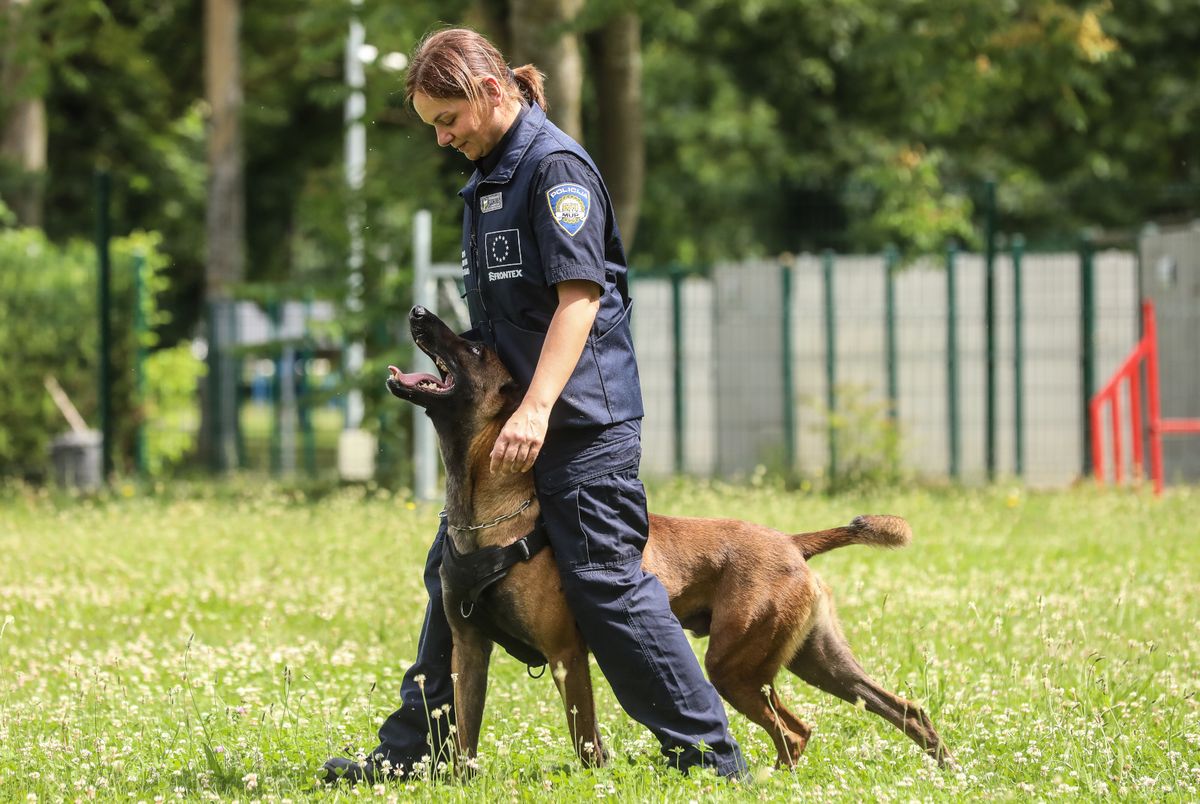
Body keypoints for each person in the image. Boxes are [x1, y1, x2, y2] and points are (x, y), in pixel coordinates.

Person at [324, 27, 745, 783]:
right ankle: (414, 755)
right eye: (432, 125)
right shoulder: (488, 179)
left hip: (577, 420)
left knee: (606, 582)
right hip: (510, 424)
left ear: (490, 91)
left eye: (447, 119)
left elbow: (579, 299)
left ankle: (711, 761)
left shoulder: (553, 170)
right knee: (453, 576)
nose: (443, 137)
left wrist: (537, 407)